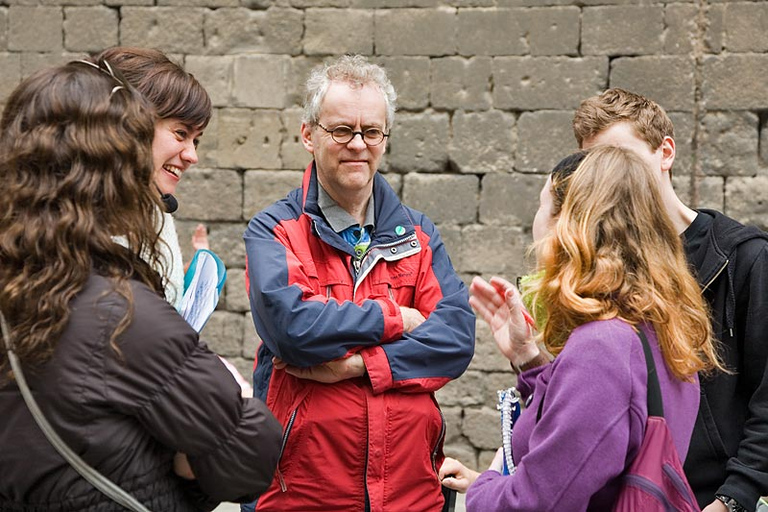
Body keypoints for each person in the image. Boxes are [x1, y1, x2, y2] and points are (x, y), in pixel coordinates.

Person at [0, 60, 281, 510]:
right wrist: (236, 393)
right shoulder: (118, 309)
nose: (190, 155)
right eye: (178, 134)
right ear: (113, 164)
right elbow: (252, 454)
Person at [243, 54, 476, 511]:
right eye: (341, 130)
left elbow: (455, 339)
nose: (357, 144)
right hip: (304, 494)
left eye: (371, 131)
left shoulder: (419, 235)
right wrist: (397, 318)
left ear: (384, 139)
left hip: (410, 494)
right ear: (308, 134)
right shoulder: (275, 230)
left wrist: (356, 366)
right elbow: (292, 328)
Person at [441, 147, 723, 510]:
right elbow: (592, 449)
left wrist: (485, 487)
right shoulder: (664, 330)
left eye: (542, 206)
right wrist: (530, 360)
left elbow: (536, 502)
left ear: (567, 223)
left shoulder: (602, 348)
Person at [573, 88, 768, 512]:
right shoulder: (599, 268)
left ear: (666, 152)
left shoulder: (745, 257)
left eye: (621, 158)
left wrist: (732, 499)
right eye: (594, 165)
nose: (609, 177)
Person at [90, 46, 211, 310]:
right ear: (130, 126)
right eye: (181, 133)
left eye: (196, 141)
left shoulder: (157, 212)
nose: (192, 156)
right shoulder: (72, 227)